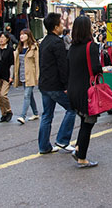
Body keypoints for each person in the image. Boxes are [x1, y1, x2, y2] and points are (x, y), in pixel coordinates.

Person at [38, 13, 76, 154]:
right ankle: (62, 139)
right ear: (55, 27)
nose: (62, 26)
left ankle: (44, 146)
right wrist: (66, 86)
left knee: (47, 115)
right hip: (55, 85)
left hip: (44, 84)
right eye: (60, 24)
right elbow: (62, 66)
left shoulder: (44, 41)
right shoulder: (57, 43)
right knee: (72, 108)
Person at [67, 16, 102, 168]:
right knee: (88, 122)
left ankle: (78, 148)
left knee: (83, 120)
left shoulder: (71, 48)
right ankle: (81, 157)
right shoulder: (91, 46)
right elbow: (96, 68)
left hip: (73, 90)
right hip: (87, 91)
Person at [14, 29, 40, 124]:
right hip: (22, 74)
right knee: (30, 95)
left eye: (24, 34)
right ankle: (36, 113)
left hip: (31, 75)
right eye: (21, 34)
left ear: (28, 36)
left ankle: (22, 116)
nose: (22, 36)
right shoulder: (19, 48)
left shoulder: (34, 47)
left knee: (26, 95)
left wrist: (38, 76)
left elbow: (37, 62)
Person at [0, 31, 15, 123]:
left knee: (3, 94)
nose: (1, 39)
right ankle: (3, 114)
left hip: (6, 75)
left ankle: (9, 111)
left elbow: (12, 64)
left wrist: (11, 76)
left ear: (7, 39)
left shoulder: (10, 50)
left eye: (3, 37)